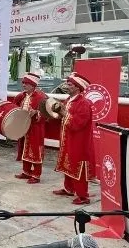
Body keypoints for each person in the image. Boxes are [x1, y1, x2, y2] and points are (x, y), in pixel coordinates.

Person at [52, 73, 94, 205]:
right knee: (67, 163)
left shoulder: (84, 103)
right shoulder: (69, 100)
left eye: (70, 85)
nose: (66, 86)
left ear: (77, 87)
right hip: (68, 139)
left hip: (79, 141)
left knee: (78, 166)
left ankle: (83, 196)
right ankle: (69, 189)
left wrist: (64, 114)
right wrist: (56, 112)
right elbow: (63, 117)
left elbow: (78, 124)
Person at [12, 73, 47, 183]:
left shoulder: (41, 97)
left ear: (32, 85)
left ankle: (36, 175)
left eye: (26, 83)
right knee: (25, 149)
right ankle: (26, 171)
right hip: (25, 127)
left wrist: (36, 113)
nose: (23, 85)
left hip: (36, 128)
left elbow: (47, 113)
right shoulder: (23, 96)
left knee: (35, 151)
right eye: (23, 83)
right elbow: (15, 105)